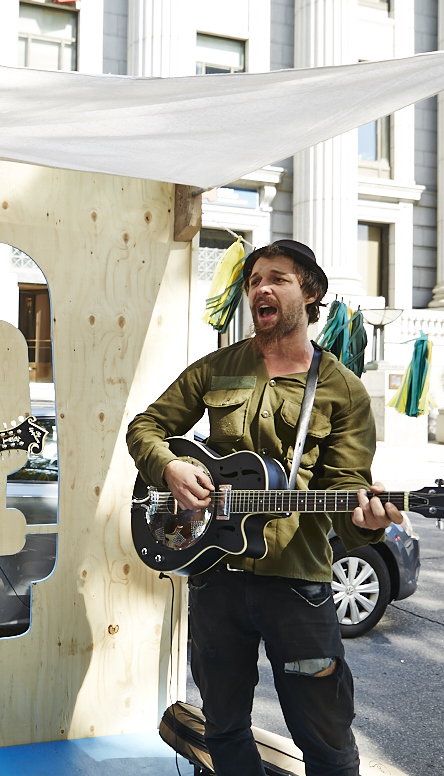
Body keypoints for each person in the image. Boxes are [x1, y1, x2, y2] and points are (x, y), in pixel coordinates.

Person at [126, 240, 403, 776]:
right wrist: (169, 469)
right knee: (225, 729)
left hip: (297, 585)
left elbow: (347, 490)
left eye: (277, 278)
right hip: (216, 577)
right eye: (254, 280)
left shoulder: (342, 391)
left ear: (311, 292)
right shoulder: (219, 368)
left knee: (324, 741)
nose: (261, 289)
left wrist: (366, 521)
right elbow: (146, 426)